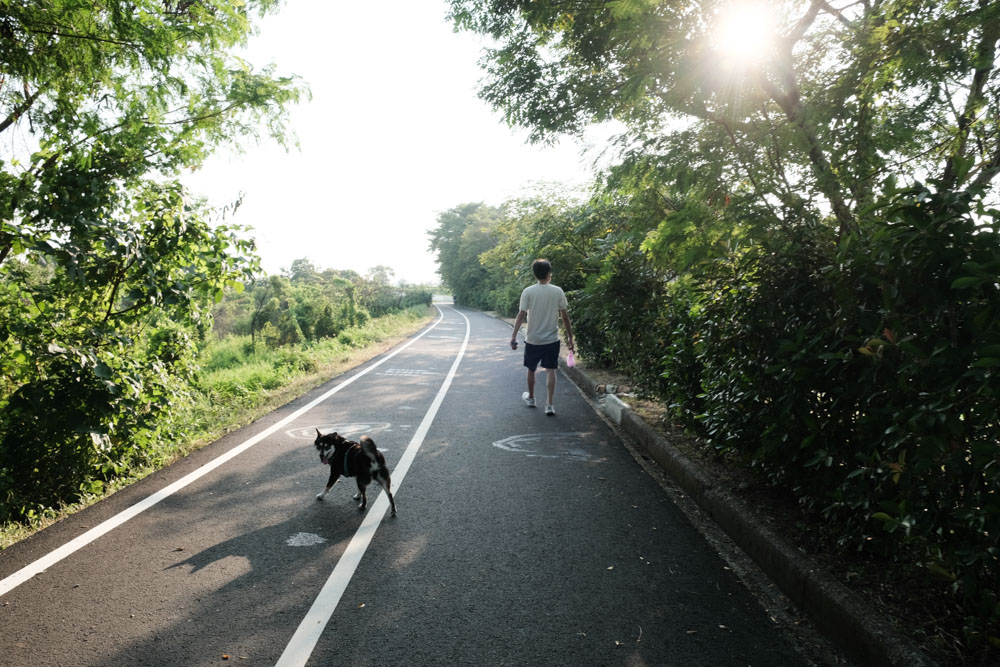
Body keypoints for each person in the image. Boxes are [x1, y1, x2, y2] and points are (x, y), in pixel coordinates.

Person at [510, 258, 575, 416]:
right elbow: (565, 317)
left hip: (533, 339)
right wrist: (570, 338)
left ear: (535, 274)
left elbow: (521, 315)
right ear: (549, 273)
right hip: (552, 339)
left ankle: (531, 398)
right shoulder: (557, 291)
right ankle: (549, 404)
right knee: (550, 370)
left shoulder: (528, 291)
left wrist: (513, 337)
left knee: (531, 369)